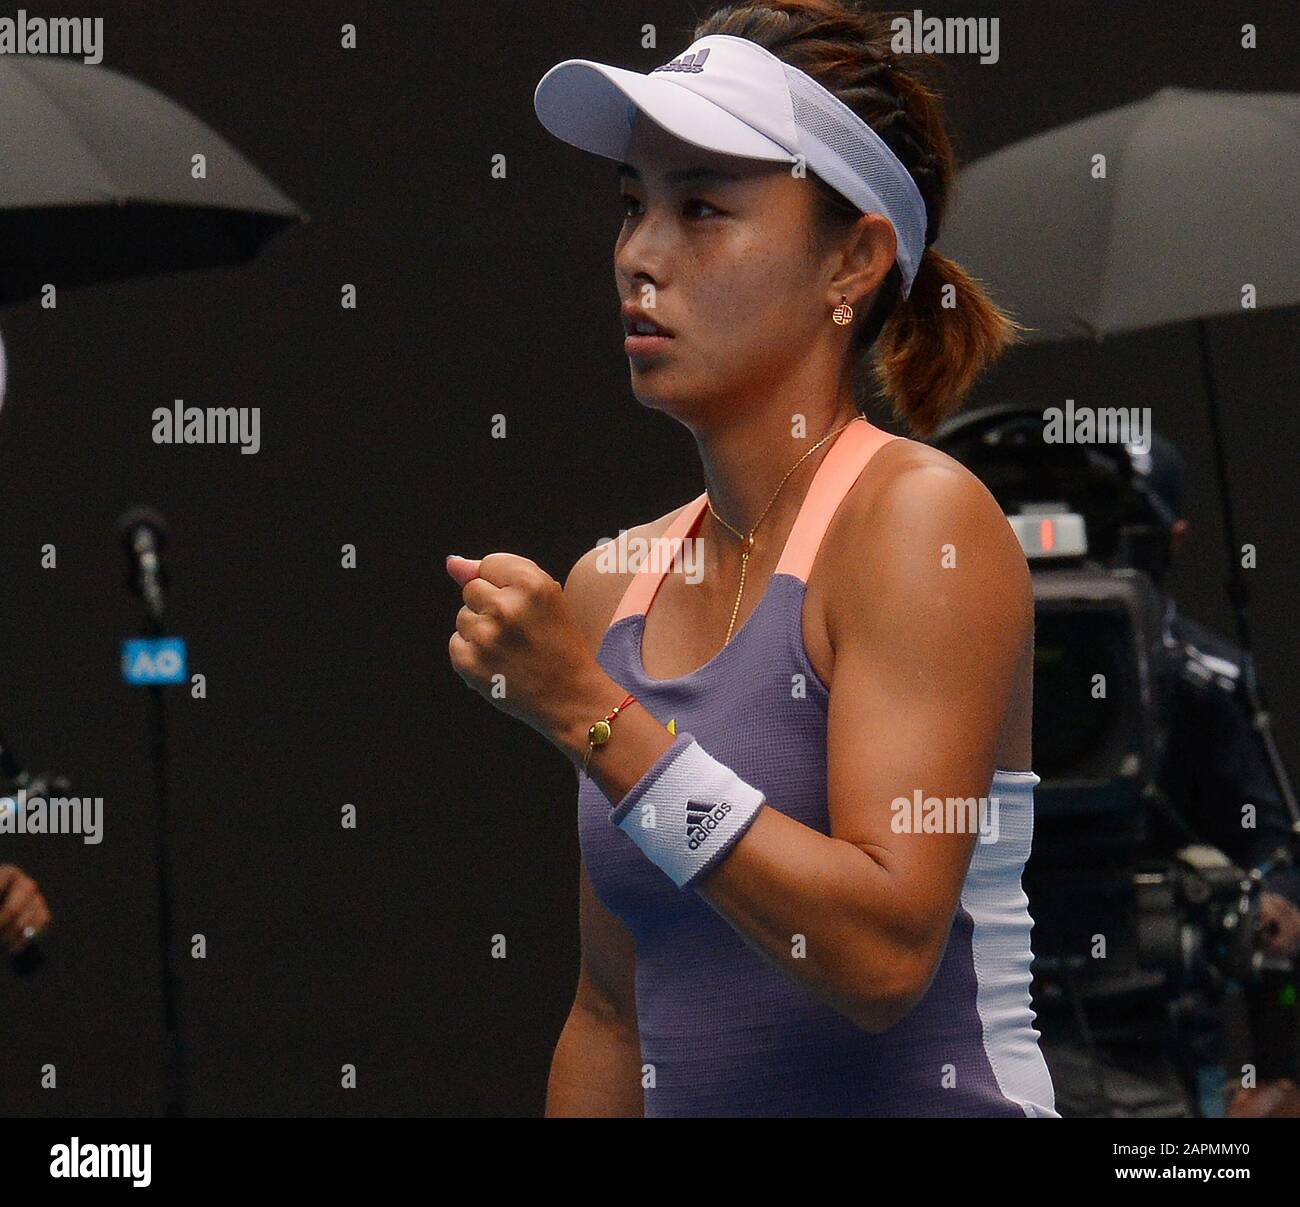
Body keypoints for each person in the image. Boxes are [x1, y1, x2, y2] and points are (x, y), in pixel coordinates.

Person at [447, 0, 1057, 1116]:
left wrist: (593, 713)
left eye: (702, 210)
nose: (638, 254)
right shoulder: (605, 585)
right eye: (633, 205)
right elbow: (608, 1014)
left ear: (856, 260)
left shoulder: (921, 523)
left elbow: (878, 957)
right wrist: (598, 707)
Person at [1034, 432, 1300, 1117]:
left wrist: (1273, 1066)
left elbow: (1271, 848)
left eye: (1131, 530)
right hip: (995, 1024)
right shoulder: (964, 664)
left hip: (1168, 1036)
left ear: (1174, 538)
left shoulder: (1205, 681)